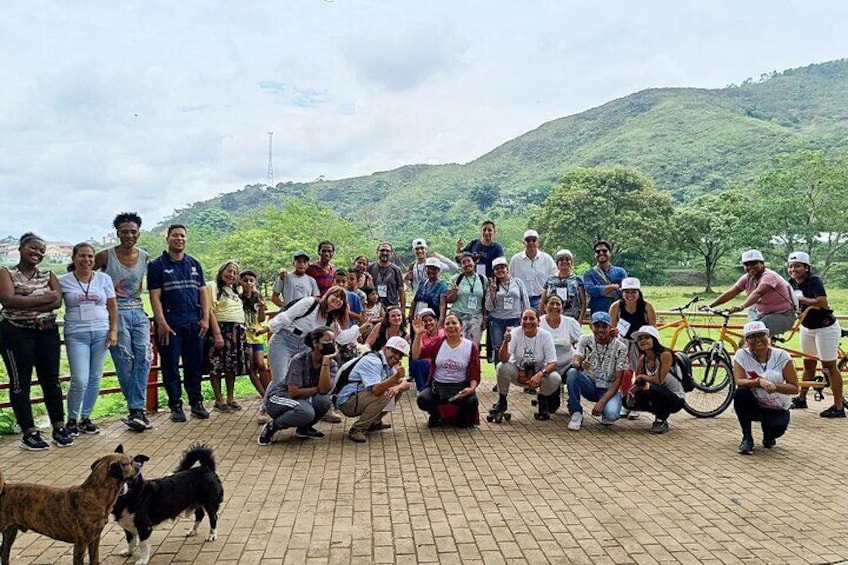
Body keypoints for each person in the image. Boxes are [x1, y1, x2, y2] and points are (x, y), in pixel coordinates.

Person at [0, 233, 72, 450]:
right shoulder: (6, 273)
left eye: (41, 250)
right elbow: (7, 300)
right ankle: (29, 432)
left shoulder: (49, 274)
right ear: (21, 249)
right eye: (33, 248)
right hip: (15, 332)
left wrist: (24, 303)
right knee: (20, 382)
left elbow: (57, 302)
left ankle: (59, 427)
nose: (37, 253)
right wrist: (44, 299)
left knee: (51, 380)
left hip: (47, 331)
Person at [257, 286, 359, 424]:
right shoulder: (310, 303)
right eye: (336, 295)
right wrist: (266, 328)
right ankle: (265, 408)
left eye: (342, 299)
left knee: (314, 377)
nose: (338, 300)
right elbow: (286, 316)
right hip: (284, 340)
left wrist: (358, 329)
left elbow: (340, 337)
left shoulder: (331, 320)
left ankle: (322, 408)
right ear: (327, 295)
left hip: (306, 345)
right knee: (280, 378)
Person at [95, 211, 153, 431]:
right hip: (114, 312)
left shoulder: (145, 256)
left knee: (145, 356)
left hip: (138, 311)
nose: (129, 235)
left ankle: (136, 409)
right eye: (124, 232)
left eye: (133, 232)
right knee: (123, 358)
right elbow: (84, 276)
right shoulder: (104, 256)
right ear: (117, 233)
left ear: (139, 233)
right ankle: (137, 410)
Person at [147, 224, 211, 422]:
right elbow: (155, 296)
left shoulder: (194, 264)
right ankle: (175, 405)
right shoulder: (157, 266)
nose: (179, 239)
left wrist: (206, 319)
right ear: (167, 238)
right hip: (170, 324)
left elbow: (202, 292)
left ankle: (196, 402)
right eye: (175, 235)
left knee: (194, 365)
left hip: (194, 322)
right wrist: (161, 322)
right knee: (170, 365)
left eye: (182, 236)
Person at [59, 243, 118, 436]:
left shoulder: (103, 278)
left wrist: (113, 330)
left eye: (90, 256)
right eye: (82, 256)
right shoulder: (64, 281)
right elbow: (52, 301)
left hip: (101, 332)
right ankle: (72, 419)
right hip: (76, 334)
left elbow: (112, 306)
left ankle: (86, 417)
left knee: (95, 378)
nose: (87, 260)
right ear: (74, 258)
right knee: (80, 379)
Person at [786, 251, 844, 418]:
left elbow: (822, 302)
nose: (793, 269)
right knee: (808, 364)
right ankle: (802, 398)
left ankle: (838, 406)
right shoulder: (791, 283)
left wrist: (802, 300)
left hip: (825, 327)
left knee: (829, 366)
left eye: (797, 266)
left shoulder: (814, 281)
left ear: (806, 267)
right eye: (791, 266)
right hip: (807, 327)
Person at [257, 327, 338, 445]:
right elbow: (293, 392)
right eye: (326, 341)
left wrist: (326, 361)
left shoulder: (332, 364)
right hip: (278, 398)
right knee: (306, 412)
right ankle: (272, 427)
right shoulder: (300, 359)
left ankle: (305, 428)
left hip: (301, 397)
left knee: (324, 401)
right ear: (315, 343)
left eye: (333, 341)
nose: (331, 344)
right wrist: (317, 389)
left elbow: (325, 390)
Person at [732, 321, 799, 455]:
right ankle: (747, 438)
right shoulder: (741, 355)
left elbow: (794, 388)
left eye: (761, 335)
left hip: (776, 405)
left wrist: (774, 387)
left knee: (777, 428)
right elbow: (739, 380)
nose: (757, 340)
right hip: (755, 402)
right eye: (751, 337)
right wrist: (759, 382)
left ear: (768, 336)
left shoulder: (782, 356)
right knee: (740, 393)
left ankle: (769, 435)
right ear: (746, 340)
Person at [337, 336, 412, 443]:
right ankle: (358, 429)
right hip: (346, 402)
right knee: (385, 393)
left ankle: (374, 422)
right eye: (395, 352)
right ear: (386, 348)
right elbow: (376, 390)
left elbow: (406, 384)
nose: (397, 357)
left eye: (400, 355)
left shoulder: (385, 362)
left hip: (356, 397)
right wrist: (395, 379)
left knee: (395, 390)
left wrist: (397, 386)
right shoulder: (373, 361)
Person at [707, 249, 796, 337]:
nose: (750, 267)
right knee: (747, 339)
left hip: (783, 315)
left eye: (754, 263)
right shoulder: (747, 278)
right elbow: (731, 293)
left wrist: (741, 306)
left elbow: (758, 293)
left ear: (762, 263)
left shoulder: (769, 276)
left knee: (752, 337)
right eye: (746, 264)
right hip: (762, 314)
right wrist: (710, 306)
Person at [412, 314, 481, 427]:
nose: (451, 326)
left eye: (454, 323)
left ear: (461, 327)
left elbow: (475, 372)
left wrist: (471, 388)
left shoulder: (470, 346)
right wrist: (418, 334)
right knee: (423, 400)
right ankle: (436, 414)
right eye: (447, 323)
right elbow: (416, 355)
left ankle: (460, 416)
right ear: (443, 328)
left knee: (472, 402)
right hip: (438, 387)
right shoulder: (438, 343)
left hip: (460, 388)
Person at [493, 309, 562, 420]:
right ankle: (502, 401)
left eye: (532, 318)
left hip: (538, 377)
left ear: (538, 321)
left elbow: (553, 363)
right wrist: (505, 342)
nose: (528, 322)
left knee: (555, 378)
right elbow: (504, 359)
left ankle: (542, 399)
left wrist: (539, 375)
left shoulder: (545, 336)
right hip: (518, 373)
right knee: (502, 366)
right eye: (525, 319)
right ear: (521, 321)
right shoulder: (515, 333)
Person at [565, 311, 628, 431]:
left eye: (604, 326)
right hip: (590, 385)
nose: (600, 330)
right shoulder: (585, 339)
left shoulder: (621, 347)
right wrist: (580, 365)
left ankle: (607, 408)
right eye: (596, 326)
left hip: (609, 388)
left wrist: (602, 402)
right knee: (572, 373)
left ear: (610, 327)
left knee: (610, 417)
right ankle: (576, 412)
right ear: (590, 326)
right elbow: (576, 359)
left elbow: (619, 379)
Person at [205, 261, 250, 412]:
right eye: (228, 271)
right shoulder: (212, 286)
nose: (231, 275)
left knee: (231, 367)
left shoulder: (234, 290)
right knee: (217, 366)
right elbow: (210, 310)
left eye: (234, 273)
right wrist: (217, 334)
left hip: (237, 331)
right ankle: (219, 400)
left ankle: (231, 398)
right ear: (221, 271)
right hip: (221, 329)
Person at [609, 277, 657, 418]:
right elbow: (612, 328)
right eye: (627, 292)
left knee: (641, 373)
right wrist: (614, 332)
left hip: (642, 343)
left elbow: (653, 329)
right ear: (622, 293)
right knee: (625, 373)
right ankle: (626, 402)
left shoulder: (647, 307)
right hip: (624, 342)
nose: (630, 295)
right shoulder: (616, 307)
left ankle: (637, 403)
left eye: (633, 292)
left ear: (639, 292)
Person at [626, 326, 685, 434]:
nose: (643, 341)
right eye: (640, 339)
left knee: (654, 388)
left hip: (675, 398)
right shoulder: (643, 359)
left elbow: (659, 380)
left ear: (654, 339)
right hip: (659, 392)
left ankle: (661, 420)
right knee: (627, 400)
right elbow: (640, 382)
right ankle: (658, 412)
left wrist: (642, 377)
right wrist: (631, 391)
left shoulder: (665, 355)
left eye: (646, 337)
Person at [485, 257, 530, 368]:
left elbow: (525, 300)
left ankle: (515, 374)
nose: (500, 271)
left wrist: (526, 317)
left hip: (515, 319)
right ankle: (500, 376)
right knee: (498, 348)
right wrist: (493, 293)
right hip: (497, 320)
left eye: (502, 268)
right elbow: (489, 307)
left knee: (515, 347)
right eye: (497, 269)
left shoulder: (517, 282)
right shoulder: (492, 285)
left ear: (507, 269)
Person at [446, 252, 488, 347]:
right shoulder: (456, 279)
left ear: (474, 262)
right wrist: (454, 292)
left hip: (476, 316)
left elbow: (484, 300)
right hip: (458, 315)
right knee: (456, 343)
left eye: (468, 261)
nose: (466, 264)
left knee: (473, 346)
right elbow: (449, 300)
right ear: (461, 265)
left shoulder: (482, 279)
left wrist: (485, 318)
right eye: (463, 263)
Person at [508, 230, 557, 311]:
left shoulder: (547, 259)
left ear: (538, 242)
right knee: (520, 322)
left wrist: (547, 293)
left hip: (540, 298)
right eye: (528, 240)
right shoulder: (515, 260)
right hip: (520, 298)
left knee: (540, 321)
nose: (531, 242)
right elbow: (510, 279)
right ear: (523, 243)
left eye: (534, 240)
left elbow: (554, 278)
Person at [239, 269, 268, 397]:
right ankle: (263, 394)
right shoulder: (238, 298)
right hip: (244, 335)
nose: (248, 283)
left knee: (261, 364)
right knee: (251, 366)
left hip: (257, 334)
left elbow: (262, 319)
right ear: (240, 282)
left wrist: (262, 307)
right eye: (245, 281)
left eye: (251, 281)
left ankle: (268, 392)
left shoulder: (258, 297)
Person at [539, 294, 583, 377]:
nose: (555, 307)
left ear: (562, 308)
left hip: (568, 365)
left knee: (574, 374)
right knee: (553, 381)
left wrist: (578, 358)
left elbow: (582, 342)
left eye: (558, 304)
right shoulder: (538, 323)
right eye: (552, 303)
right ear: (545, 307)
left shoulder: (570, 322)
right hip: (546, 367)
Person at [540, 249, 586, 323]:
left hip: (572, 320)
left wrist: (579, 322)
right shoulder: (550, 280)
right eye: (561, 260)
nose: (564, 262)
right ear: (557, 263)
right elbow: (543, 301)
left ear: (571, 262)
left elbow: (583, 303)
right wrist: (542, 320)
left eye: (567, 259)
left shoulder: (577, 280)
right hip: (552, 320)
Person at [582, 240, 627, 314]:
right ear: (595, 255)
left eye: (604, 251)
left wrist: (602, 291)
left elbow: (625, 292)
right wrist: (613, 287)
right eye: (598, 251)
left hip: (618, 312)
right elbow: (591, 290)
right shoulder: (589, 274)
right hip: (598, 313)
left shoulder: (620, 272)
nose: (601, 253)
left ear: (610, 253)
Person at [407, 308, 444, 391]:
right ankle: (423, 389)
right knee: (416, 363)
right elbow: (415, 356)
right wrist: (418, 334)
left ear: (436, 320)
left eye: (430, 320)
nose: (428, 323)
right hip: (426, 365)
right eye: (425, 321)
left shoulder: (444, 333)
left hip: (442, 364)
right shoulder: (422, 336)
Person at [409, 257, 449, 325]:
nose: (431, 271)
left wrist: (441, 320)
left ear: (438, 270)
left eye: (434, 269)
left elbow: (442, 304)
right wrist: (411, 313)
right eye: (429, 268)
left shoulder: (442, 285)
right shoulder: (422, 283)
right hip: (418, 316)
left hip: (432, 319)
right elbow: (415, 300)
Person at [367, 242, 406, 310]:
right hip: (373, 308)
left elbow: (401, 291)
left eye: (387, 251)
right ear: (377, 252)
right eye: (382, 250)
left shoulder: (396, 270)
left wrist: (402, 309)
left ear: (391, 253)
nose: (384, 253)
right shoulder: (370, 268)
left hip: (392, 307)